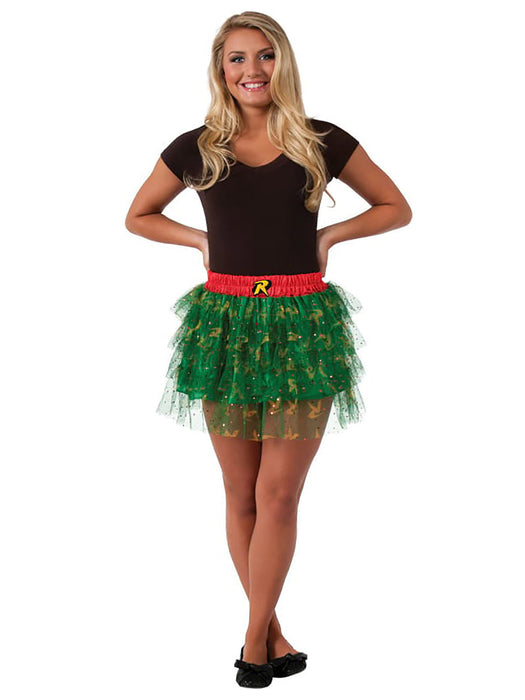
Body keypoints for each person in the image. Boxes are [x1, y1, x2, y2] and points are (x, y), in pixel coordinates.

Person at [125, 11, 412, 689]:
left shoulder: (321, 140)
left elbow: (395, 207)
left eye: (265, 55)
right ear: (220, 70)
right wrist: (198, 241)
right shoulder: (198, 147)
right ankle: (274, 630)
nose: (252, 70)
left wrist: (329, 236)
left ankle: (254, 641)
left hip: (302, 325)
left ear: (283, 62)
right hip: (223, 323)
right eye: (237, 58)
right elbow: (138, 215)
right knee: (240, 492)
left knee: (278, 494)